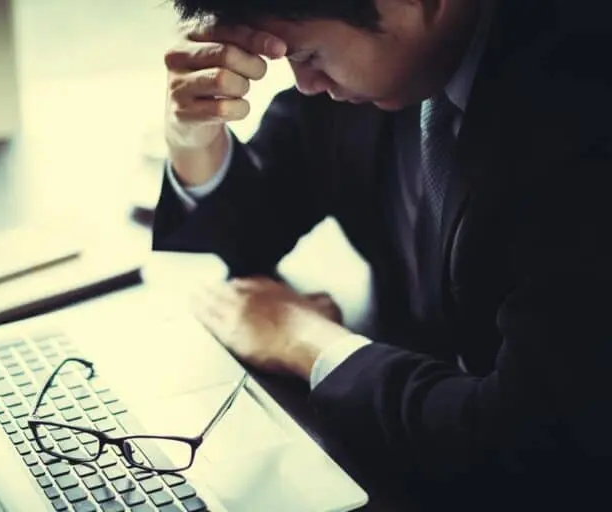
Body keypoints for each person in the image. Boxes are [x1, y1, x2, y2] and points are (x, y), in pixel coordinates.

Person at [152, 0, 612, 509]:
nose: (303, 83)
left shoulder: (585, 110)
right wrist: (192, 135)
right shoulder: (390, 67)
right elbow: (246, 236)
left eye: (305, 55)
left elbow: (531, 438)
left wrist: (307, 341)